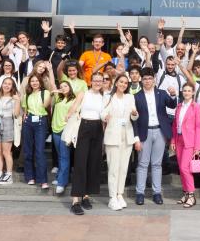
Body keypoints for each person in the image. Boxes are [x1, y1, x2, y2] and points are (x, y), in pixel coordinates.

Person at [133, 70, 178, 205]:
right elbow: (134, 119)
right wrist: (136, 138)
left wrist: (174, 94)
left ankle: (156, 193)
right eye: (145, 78)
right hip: (143, 132)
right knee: (142, 164)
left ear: (154, 80)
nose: (147, 81)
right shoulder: (136, 96)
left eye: (150, 78)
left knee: (157, 164)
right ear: (142, 80)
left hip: (159, 131)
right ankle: (140, 193)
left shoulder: (161, 93)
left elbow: (172, 105)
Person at [70, 72, 107, 215]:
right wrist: (69, 115)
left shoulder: (104, 97)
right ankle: (75, 200)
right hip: (84, 127)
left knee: (93, 164)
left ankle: (86, 196)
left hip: (98, 129)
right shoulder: (83, 93)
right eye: (95, 80)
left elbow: (104, 117)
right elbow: (74, 107)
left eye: (100, 81)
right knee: (80, 163)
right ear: (90, 81)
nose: (98, 83)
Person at [101, 74, 140, 210]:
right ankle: (112, 197)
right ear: (116, 83)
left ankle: (119, 194)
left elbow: (134, 117)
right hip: (113, 136)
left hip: (127, 136)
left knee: (123, 168)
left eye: (125, 83)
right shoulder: (108, 97)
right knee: (113, 168)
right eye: (121, 82)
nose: (123, 84)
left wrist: (135, 114)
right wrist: (105, 116)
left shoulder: (130, 97)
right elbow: (102, 113)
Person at [171, 82, 200, 208]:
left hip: (190, 141)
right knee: (181, 168)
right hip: (179, 139)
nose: (186, 93)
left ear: (193, 92)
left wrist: (198, 147)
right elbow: (174, 125)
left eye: (189, 91)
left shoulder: (196, 107)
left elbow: (199, 128)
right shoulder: (179, 106)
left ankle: (191, 195)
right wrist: (173, 141)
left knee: (185, 168)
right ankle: (185, 193)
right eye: (185, 90)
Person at [21, 72, 53, 189]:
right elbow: (25, 110)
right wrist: (24, 117)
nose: (34, 83)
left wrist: (51, 94)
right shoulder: (27, 95)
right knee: (28, 151)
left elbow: (45, 106)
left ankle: (43, 180)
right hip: (28, 121)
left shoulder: (46, 93)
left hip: (40, 121)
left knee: (39, 151)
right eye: (32, 81)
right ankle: (30, 177)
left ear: (40, 83)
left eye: (36, 81)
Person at [0, 76, 20, 185]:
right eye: (5, 83)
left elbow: (16, 114)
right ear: (1, 84)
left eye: (9, 84)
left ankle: (9, 174)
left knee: (6, 152)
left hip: (8, 123)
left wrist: (17, 102)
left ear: (12, 86)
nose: (6, 85)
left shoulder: (14, 98)